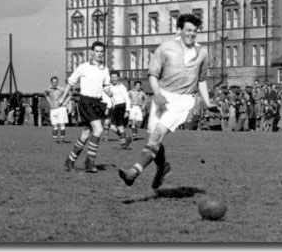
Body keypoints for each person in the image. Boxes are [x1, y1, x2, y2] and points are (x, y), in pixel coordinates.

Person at [118, 13, 217, 189]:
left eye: (195, 31)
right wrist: (157, 94)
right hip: (162, 96)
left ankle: (133, 172)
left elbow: (201, 81)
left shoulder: (202, 54)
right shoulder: (165, 48)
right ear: (180, 30)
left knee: (157, 134)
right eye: (188, 30)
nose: (191, 34)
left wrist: (208, 103)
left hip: (183, 100)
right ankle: (162, 167)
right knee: (153, 138)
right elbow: (153, 75)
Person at [59, 41, 111, 173]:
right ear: (92, 52)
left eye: (101, 52)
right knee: (98, 129)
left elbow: (106, 86)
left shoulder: (105, 69)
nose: (99, 54)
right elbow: (71, 82)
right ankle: (89, 161)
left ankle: (70, 160)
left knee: (86, 133)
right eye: (97, 51)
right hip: (85, 102)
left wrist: (110, 92)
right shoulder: (84, 67)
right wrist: (63, 98)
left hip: (97, 103)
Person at [107, 71, 132, 149]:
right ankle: (126, 137)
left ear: (118, 78)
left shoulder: (122, 87)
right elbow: (110, 99)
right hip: (114, 108)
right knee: (112, 128)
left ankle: (123, 145)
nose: (114, 79)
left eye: (115, 77)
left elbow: (127, 99)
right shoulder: (109, 86)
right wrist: (108, 107)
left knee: (120, 127)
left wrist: (127, 111)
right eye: (112, 77)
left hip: (121, 106)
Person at [44, 76, 71, 143]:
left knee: (62, 124)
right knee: (54, 125)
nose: (55, 83)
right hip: (53, 109)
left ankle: (62, 139)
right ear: (51, 82)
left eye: (56, 82)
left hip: (61, 108)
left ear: (57, 82)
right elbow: (45, 94)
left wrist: (65, 102)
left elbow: (70, 94)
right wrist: (49, 101)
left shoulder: (61, 89)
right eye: (53, 82)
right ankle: (55, 140)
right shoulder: (48, 89)